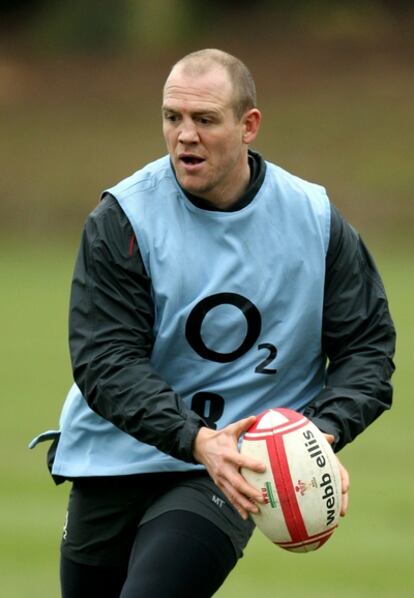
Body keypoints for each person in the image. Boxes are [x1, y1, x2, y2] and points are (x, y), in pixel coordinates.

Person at [30, 48, 395, 597]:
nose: (184, 136)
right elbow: (105, 360)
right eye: (172, 117)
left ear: (249, 126)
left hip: (231, 469)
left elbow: (366, 346)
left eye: (204, 120)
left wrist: (317, 434)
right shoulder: (124, 219)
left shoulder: (313, 220)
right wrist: (195, 437)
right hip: (116, 453)